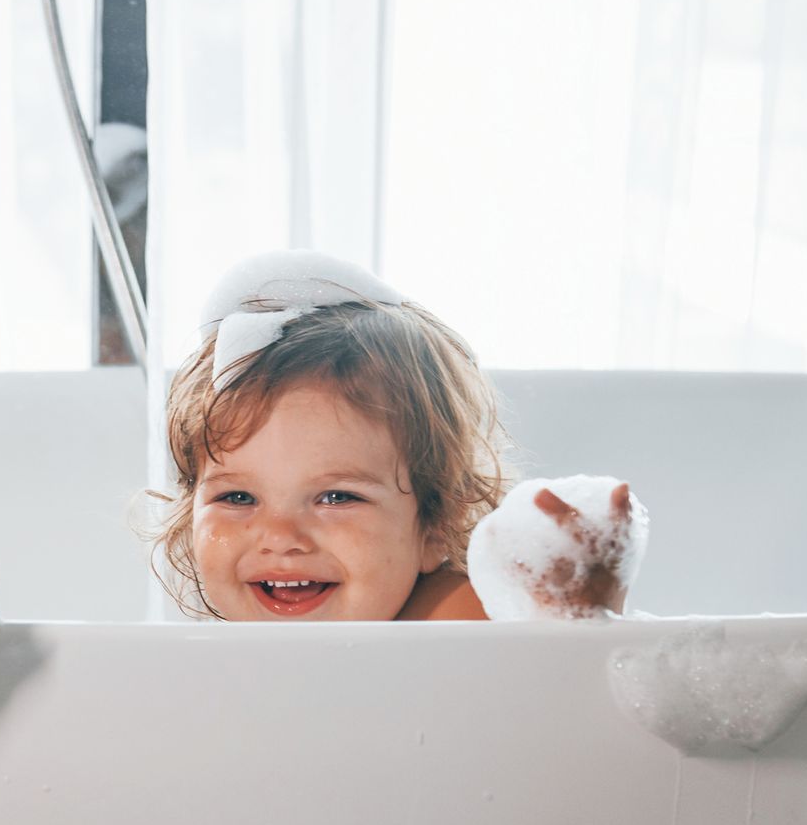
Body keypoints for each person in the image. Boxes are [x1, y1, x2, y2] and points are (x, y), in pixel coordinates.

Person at [149, 250, 634, 622]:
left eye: (336, 496)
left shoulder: (452, 619)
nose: (280, 538)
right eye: (238, 496)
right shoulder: (215, 647)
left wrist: (573, 618)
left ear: (436, 523)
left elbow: (553, 703)